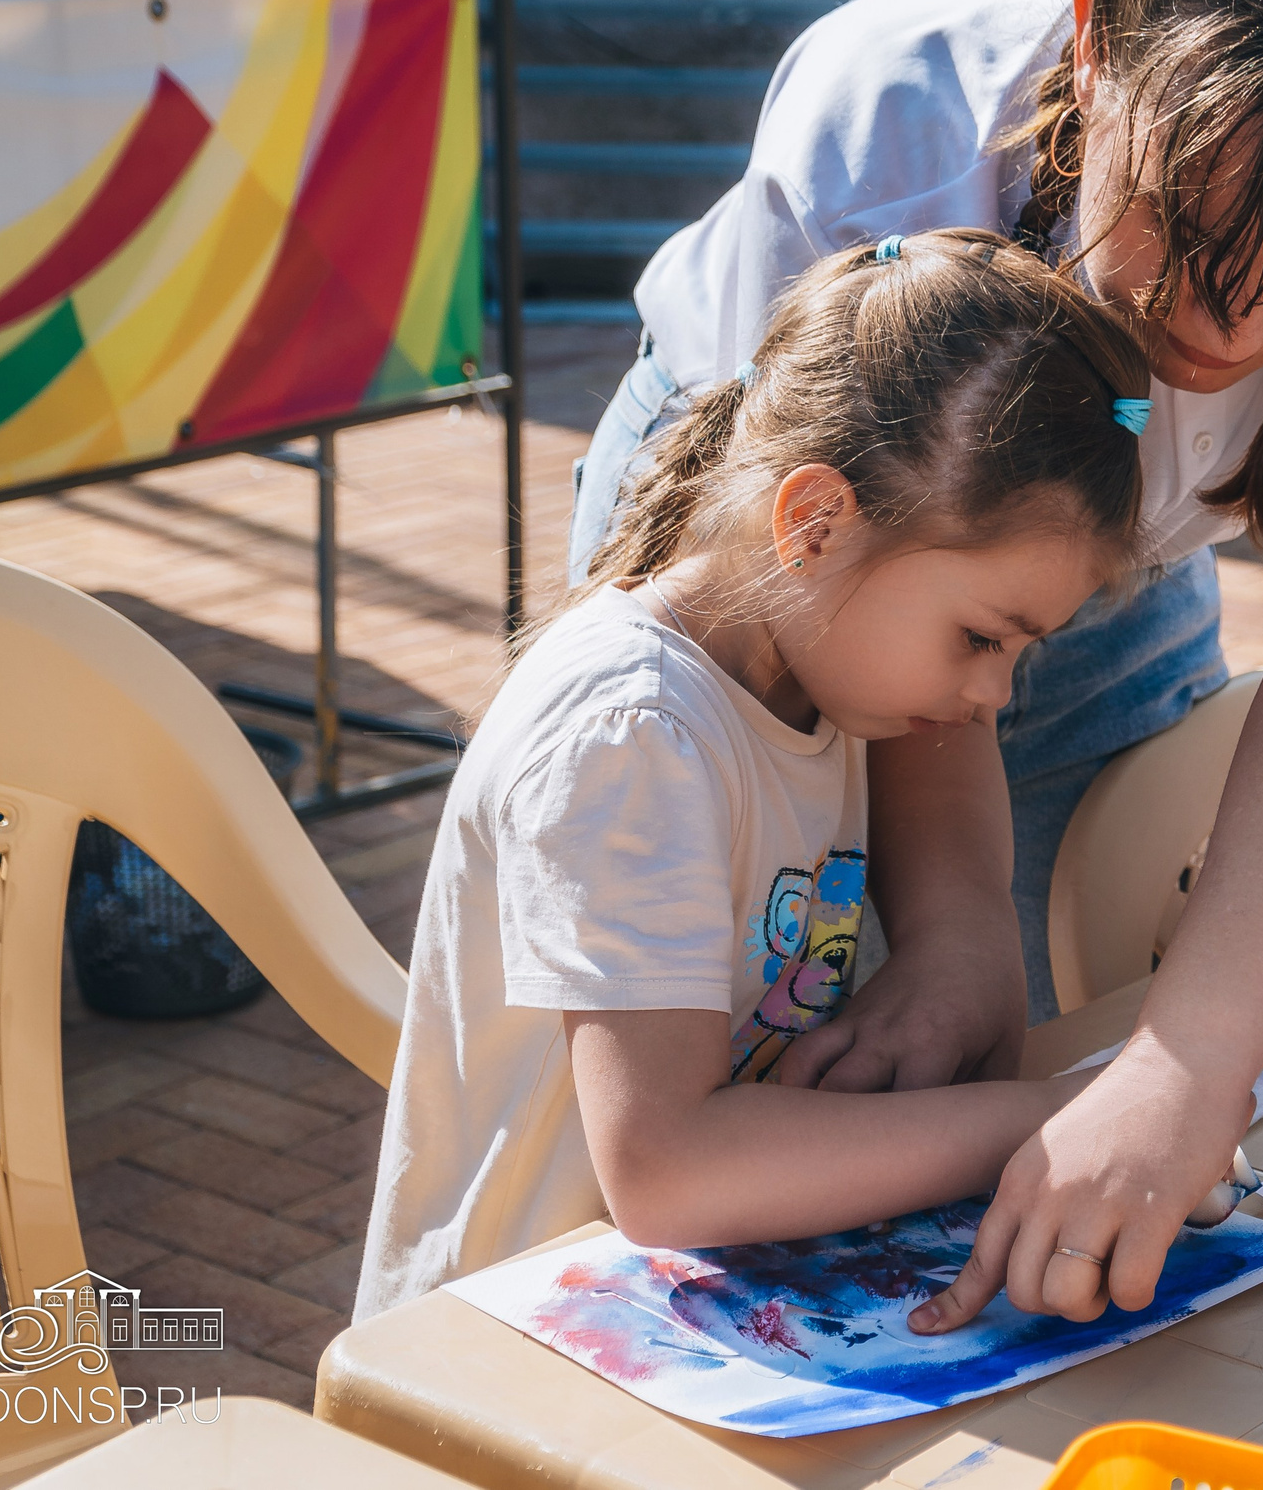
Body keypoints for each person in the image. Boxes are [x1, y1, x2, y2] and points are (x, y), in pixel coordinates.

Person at [569, 0, 1263, 1327]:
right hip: (786, 562)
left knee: (1039, 1054)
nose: (1227, 332)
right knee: (765, 1076)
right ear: (1093, 48)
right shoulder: (885, 118)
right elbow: (854, 586)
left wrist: (1183, 1070)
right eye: (1183, 232)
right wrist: (954, 928)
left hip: (1109, 562)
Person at [354, 232, 1151, 1318]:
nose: (993, 698)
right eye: (980, 637)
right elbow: (667, 1169)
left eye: (1023, 650)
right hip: (501, 1352)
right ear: (814, 524)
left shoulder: (827, 682)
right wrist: (1051, 1122)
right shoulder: (632, 734)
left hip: (683, 1317)